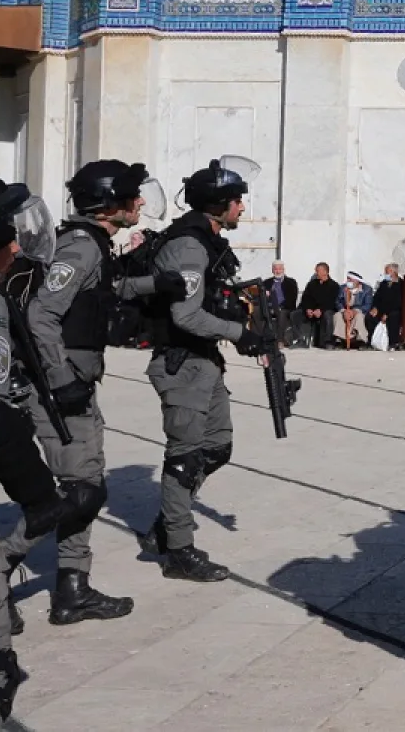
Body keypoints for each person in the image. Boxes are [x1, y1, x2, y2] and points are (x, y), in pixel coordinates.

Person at [0, 161, 182, 627]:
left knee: (88, 485)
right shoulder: (81, 246)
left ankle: (73, 588)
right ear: (109, 202)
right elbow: (42, 315)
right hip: (59, 388)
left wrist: (155, 283)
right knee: (80, 492)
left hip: (75, 385)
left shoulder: (93, 245)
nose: (139, 203)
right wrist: (61, 380)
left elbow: (105, 289)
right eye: (131, 196)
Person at [0, 177, 107, 728]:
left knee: (78, 491)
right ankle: (8, 570)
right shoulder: (2, 288)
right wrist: (61, 381)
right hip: (29, 396)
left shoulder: (21, 272)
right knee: (74, 492)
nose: (18, 242)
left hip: (25, 393)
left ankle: (59, 584)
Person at [138, 160, 270, 582]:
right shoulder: (190, 247)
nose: (242, 207)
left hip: (203, 361)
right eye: (237, 201)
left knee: (217, 447)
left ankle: (169, 521)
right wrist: (239, 334)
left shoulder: (207, 242)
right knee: (184, 458)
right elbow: (186, 315)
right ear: (217, 205)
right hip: (182, 362)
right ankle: (178, 550)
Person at [296, 263, 340, 349]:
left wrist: (320, 310)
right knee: (295, 314)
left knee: (328, 315)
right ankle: (300, 340)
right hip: (311, 310)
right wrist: (308, 308)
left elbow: (332, 302)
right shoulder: (311, 284)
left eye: (318, 271)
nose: (316, 272)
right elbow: (306, 298)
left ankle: (328, 342)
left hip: (325, 310)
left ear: (325, 272)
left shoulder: (334, 286)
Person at [368, 264, 404, 349]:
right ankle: (371, 341)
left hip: (393, 310)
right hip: (381, 309)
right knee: (370, 317)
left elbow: (397, 302)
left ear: (393, 272)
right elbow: (377, 297)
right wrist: (375, 307)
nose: (385, 274)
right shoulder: (384, 283)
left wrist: (386, 313)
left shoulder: (401, 284)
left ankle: (393, 343)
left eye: (387, 272)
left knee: (393, 316)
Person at [262, 262, 298, 346]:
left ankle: (280, 341)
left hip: (286, 308)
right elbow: (261, 296)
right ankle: (261, 339)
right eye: (275, 269)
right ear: (272, 270)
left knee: (281, 313)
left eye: (280, 269)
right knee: (258, 311)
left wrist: (280, 307)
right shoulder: (266, 282)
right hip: (270, 307)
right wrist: (265, 295)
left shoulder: (291, 282)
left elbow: (292, 298)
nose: (277, 271)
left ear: (283, 270)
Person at [337, 271, 372, 349]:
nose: (348, 281)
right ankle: (341, 339)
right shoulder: (343, 288)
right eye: (347, 279)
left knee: (359, 317)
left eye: (350, 279)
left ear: (357, 280)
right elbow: (338, 302)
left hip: (359, 311)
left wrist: (355, 311)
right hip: (346, 310)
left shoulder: (367, 289)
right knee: (337, 316)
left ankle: (361, 340)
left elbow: (367, 305)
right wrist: (343, 311)